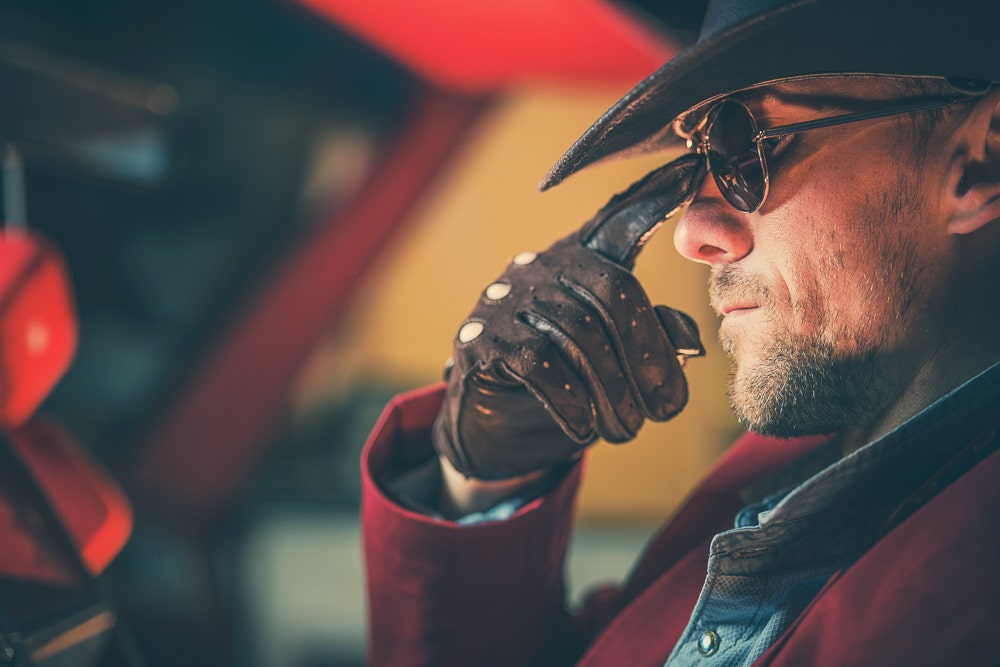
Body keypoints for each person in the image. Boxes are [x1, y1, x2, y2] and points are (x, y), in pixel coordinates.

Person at [360, 0, 1000, 665]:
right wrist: (486, 480)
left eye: (751, 144)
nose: (692, 234)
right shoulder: (780, 481)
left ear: (983, 160)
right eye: (702, 155)